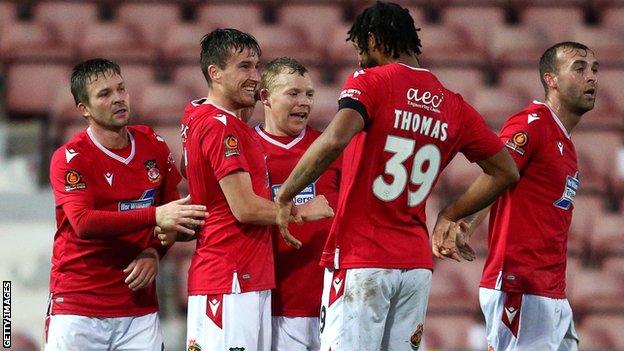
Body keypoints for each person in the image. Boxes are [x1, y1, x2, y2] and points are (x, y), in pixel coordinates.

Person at [273, 2, 519, 350]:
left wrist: (284, 196)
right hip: (416, 265)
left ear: (373, 39)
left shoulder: (372, 82)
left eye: (360, 50)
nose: (360, 61)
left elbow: (335, 138)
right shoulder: (454, 105)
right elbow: (505, 171)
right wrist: (450, 214)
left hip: (362, 259)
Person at [180, 29, 333, 351]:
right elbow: (245, 208)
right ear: (215, 73)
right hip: (230, 275)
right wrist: (302, 212)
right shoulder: (219, 126)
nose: (255, 76)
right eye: (245, 67)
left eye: (256, 66)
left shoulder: (207, 118)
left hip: (246, 275)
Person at [46, 58, 208, 350]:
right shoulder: (70, 158)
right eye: (105, 94)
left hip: (138, 307)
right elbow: (83, 223)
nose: (118, 98)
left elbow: (174, 218)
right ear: (84, 109)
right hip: (78, 306)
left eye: (121, 89)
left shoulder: (153, 145)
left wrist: (154, 251)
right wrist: (156, 215)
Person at [453, 41, 598, 351]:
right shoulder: (532, 124)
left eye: (594, 70)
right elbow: (497, 172)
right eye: (580, 69)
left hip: (551, 290)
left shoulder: (565, 144)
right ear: (551, 79)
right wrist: (466, 222)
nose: (592, 77)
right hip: (520, 285)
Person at [253, 57, 341, 351]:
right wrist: (299, 213)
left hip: (333, 302)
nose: (304, 102)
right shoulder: (244, 150)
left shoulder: (330, 147)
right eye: (293, 93)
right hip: (271, 305)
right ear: (265, 96)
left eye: (309, 94)